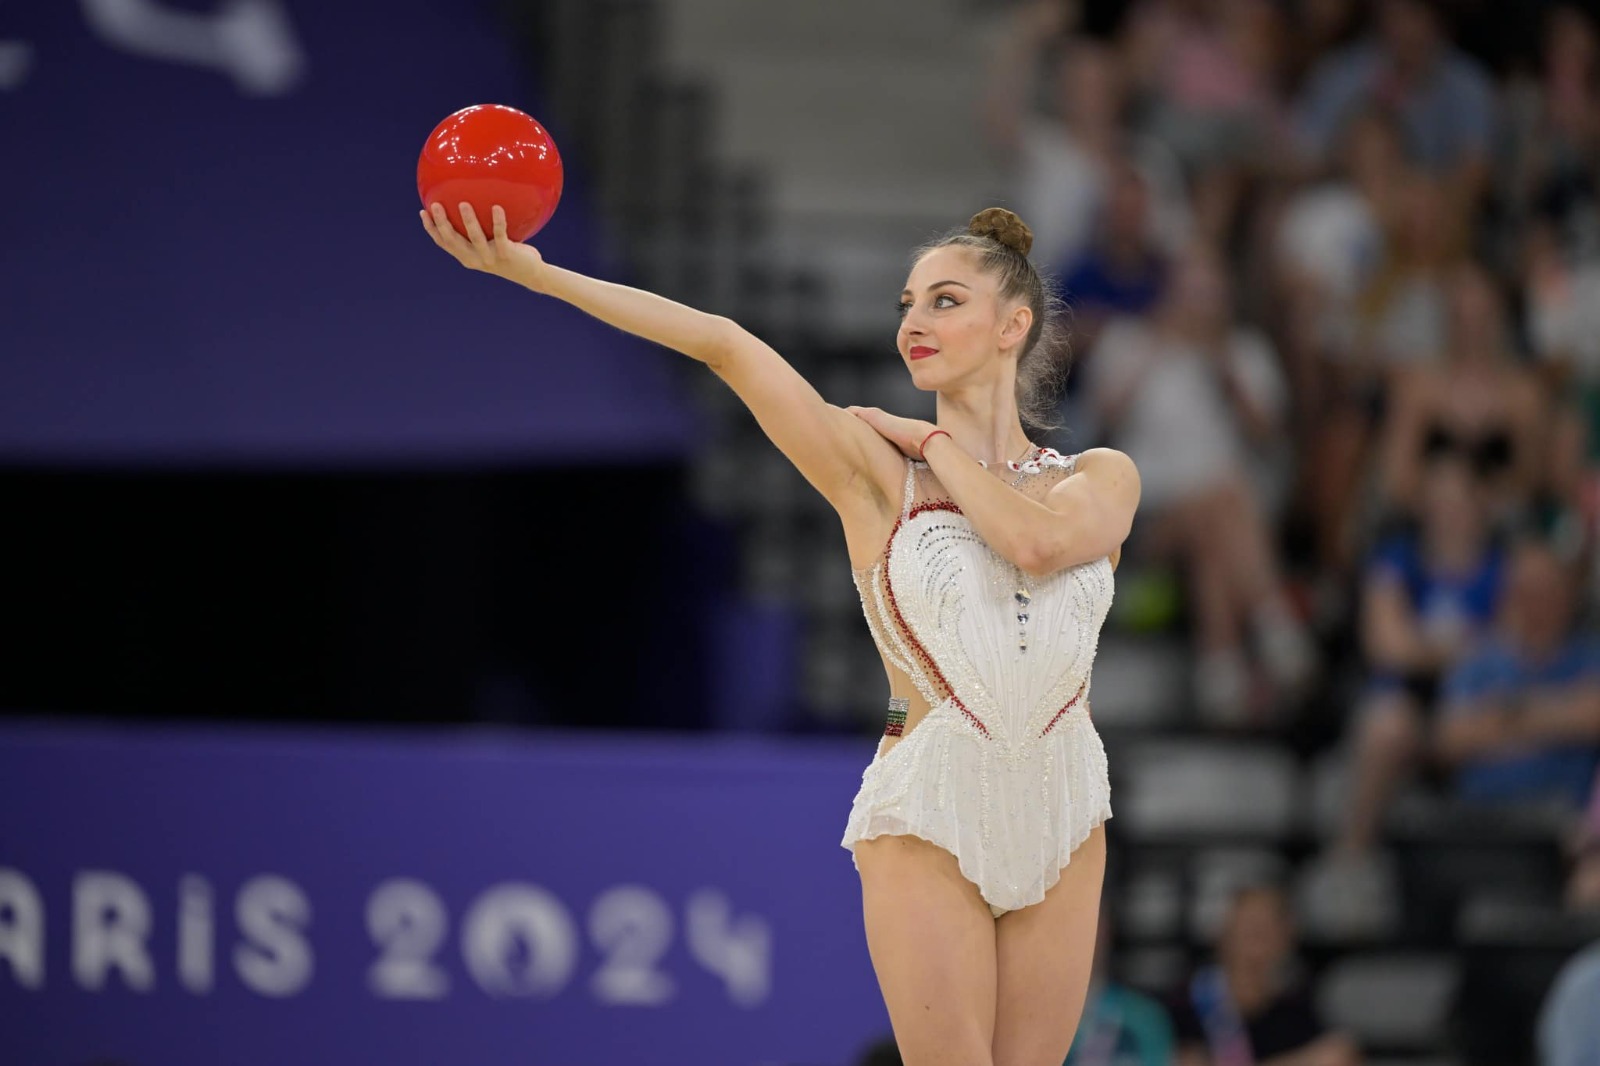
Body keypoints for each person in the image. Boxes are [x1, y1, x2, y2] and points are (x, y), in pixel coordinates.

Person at [420, 202, 1140, 1066]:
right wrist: (535, 275)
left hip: (1064, 806)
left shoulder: (1097, 477)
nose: (914, 321)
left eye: (944, 301)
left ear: (1012, 326)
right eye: (907, 303)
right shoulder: (872, 466)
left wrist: (937, 447)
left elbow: (1035, 542)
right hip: (932, 805)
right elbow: (724, 343)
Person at [1435, 537, 1600, 812]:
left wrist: (1505, 714)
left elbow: (1593, 717)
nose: (1536, 603)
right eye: (1525, 591)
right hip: (1481, 817)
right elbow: (1450, 740)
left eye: (1547, 590)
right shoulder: (1479, 661)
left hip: (1564, 815)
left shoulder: (1590, 656)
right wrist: (1563, 716)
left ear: (1568, 594)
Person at [1168, 884, 1362, 1066]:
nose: (1258, 940)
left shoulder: (1296, 1012)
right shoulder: (1184, 1005)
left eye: (1268, 927)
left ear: (1287, 939)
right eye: (1249, 927)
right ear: (1221, 933)